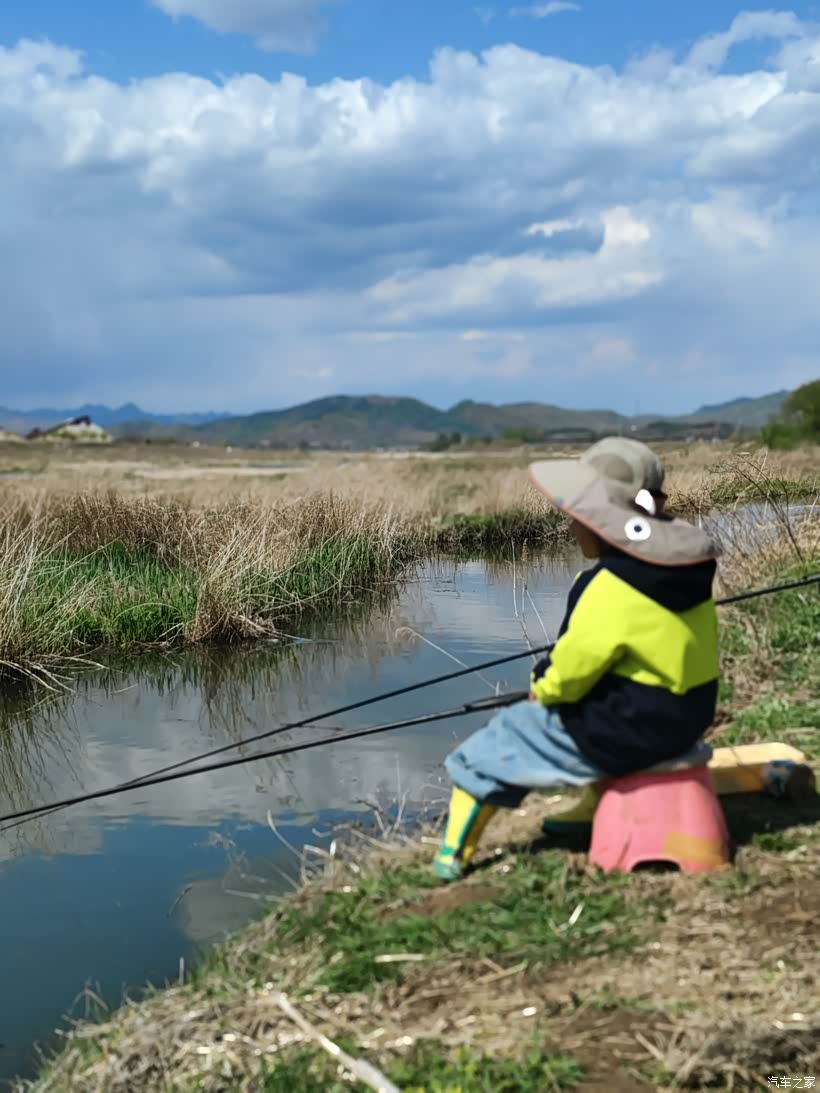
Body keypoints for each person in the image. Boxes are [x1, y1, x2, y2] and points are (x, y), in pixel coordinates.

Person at [433, 437, 720, 881]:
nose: (571, 527)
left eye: (577, 516)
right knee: (598, 698)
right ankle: (593, 806)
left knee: (494, 743)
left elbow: (570, 671)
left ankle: (453, 855)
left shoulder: (609, 585)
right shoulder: (684, 569)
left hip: (631, 731)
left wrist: (541, 688)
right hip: (688, 716)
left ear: (601, 519)